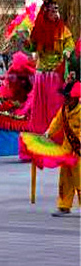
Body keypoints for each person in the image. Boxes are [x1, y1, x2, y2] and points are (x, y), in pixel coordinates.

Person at [27, 0, 74, 133]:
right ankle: (40, 136)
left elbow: (70, 43)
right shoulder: (38, 30)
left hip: (55, 74)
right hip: (41, 74)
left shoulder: (63, 30)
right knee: (40, 107)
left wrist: (67, 50)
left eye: (57, 10)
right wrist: (26, 44)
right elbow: (33, 47)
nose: (55, 13)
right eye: (53, 10)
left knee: (55, 106)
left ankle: (55, 136)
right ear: (46, 12)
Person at [47, 80, 80, 217]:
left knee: (80, 179)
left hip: (78, 151)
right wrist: (48, 133)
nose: (65, 99)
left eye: (67, 97)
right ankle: (64, 206)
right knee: (65, 179)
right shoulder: (64, 110)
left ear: (74, 98)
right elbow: (57, 122)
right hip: (67, 150)